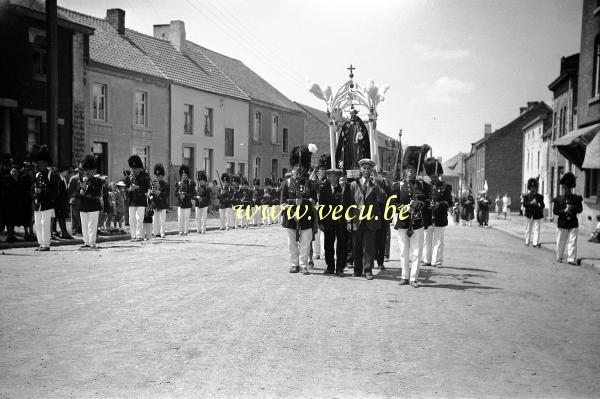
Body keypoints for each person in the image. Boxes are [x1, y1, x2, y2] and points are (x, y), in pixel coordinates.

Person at [391, 145, 431, 287]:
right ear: (404, 170)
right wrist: (400, 207)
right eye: (408, 169)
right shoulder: (398, 185)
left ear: (417, 170)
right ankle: (404, 276)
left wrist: (418, 204)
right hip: (403, 221)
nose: (410, 172)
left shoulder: (423, 186)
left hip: (417, 222)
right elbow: (393, 203)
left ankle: (414, 278)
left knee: (416, 251)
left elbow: (427, 203)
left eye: (413, 169)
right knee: (403, 251)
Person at [346, 158, 386, 280]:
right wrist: (349, 221)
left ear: (372, 170)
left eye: (369, 168)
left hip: (370, 220)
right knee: (356, 246)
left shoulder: (376, 184)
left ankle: (368, 270)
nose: (366, 170)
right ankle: (357, 269)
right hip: (357, 220)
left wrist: (376, 185)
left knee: (369, 246)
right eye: (364, 168)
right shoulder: (353, 185)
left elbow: (383, 199)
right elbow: (349, 205)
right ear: (360, 169)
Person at [281, 144, 318, 275]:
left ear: (305, 167)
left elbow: (314, 200)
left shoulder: (310, 183)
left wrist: (305, 201)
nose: (298, 169)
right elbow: (282, 202)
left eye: (300, 166)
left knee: (305, 242)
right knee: (292, 242)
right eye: (296, 166)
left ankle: (303, 264)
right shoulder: (287, 183)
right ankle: (294, 264)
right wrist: (292, 202)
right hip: (291, 216)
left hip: (306, 216)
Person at [422, 157, 453, 268]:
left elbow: (449, 202)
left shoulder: (445, 187)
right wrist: (428, 205)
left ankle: (437, 261)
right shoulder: (425, 186)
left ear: (438, 174)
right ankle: (427, 259)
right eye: (431, 175)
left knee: (439, 240)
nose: (433, 176)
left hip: (440, 217)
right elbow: (422, 201)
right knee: (427, 240)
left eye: (435, 174)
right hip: (428, 217)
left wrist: (439, 205)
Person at [318, 168, 348, 276]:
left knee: (341, 244)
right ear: (327, 177)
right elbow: (321, 207)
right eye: (330, 176)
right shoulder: (323, 189)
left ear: (338, 177)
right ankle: (330, 266)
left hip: (340, 221)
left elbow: (348, 204)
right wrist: (320, 221)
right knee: (328, 244)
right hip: (328, 221)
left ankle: (340, 268)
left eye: (335, 176)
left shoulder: (344, 188)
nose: (332, 178)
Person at [31, 146, 58, 251]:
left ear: (46, 163)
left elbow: (55, 191)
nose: (38, 164)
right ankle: (41, 243)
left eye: (40, 162)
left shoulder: (51, 174)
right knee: (37, 224)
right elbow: (33, 188)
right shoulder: (37, 175)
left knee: (45, 224)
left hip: (47, 202)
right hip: (38, 202)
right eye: (38, 162)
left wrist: (43, 191)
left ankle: (46, 244)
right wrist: (34, 194)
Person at [552, 172, 583, 265]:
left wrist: (572, 209)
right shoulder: (559, 199)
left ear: (571, 188)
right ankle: (559, 257)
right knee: (561, 242)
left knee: (572, 242)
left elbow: (580, 209)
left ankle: (571, 259)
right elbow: (555, 211)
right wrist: (564, 211)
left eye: (568, 188)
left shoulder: (576, 198)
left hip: (573, 223)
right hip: (562, 223)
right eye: (564, 188)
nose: (566, 190)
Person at [78, 155, 103, 249]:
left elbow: (97, 192)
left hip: (93, 206)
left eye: (89, 170)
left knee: (91, 225)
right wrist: (80, 191)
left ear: (93, 171)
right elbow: (77, 194)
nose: (87, 172)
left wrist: (86, 189)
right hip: (83, 206)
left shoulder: (97, 180)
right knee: (84, 225)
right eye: (86, 170)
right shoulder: (81, 180)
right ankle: (86, 242)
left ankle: (92, 242)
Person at [127, 155, 150, 241]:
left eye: (136, 168)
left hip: (141, 201)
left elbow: (146, 188)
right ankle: (133, 236)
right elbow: (124, 187)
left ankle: (139, 236)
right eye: (133, 168)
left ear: (140, 168)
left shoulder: (145, 177)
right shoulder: (129, 177)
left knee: (139, 219)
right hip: (132, 201)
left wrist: (137, 187)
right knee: (131, 219)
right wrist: (129, 188)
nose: (134, 170)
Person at [522, 178, 545, 247]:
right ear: (529, 188)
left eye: (534, 187)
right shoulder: (526, 196)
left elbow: (543, 205)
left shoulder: (540, 196)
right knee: (528, 228)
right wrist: (531, 203)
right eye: (532, 187)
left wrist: (538, 206)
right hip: (529, 214)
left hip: (537, 214)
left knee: (537, 228)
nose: (533, 188)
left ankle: (535, 242)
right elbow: (524, 204)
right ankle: (527, 241)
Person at [52, 165, 72, 239]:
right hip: (58, 202)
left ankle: (64, 232)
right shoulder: (58, 178)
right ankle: (63, 233)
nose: (66, 172)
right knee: (61, 218)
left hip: (62, 202)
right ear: (63, 171)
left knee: (62, 218)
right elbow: (58, 191)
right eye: (66, 171)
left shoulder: (63, 178)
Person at [151, 164, 170, 238]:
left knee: (162, 220)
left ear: (162, 176)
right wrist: (152, 192)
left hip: (162, 204)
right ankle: (156, 233)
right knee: (155, 219)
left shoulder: (166, 184)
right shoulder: (154, 183)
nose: (157, 177)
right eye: (157, 176)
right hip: (155, 203)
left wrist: (159, 193)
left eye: (159, 176)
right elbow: (151, 194)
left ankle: (162, 233)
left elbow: (167, 195)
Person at [175, 165, 195, 235]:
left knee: (186, 218)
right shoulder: (179, 183)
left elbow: (192, 194)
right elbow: (175, 193)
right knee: (180, 218)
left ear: (187, 175)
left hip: (187, 203)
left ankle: (186, 231)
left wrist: (185, 195)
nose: (184, 176)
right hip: (180, 203)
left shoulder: (190, 183)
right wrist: (179, 194)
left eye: (185, 175)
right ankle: (180, 231)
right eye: (183, 175)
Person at [68, 164, 83, 235]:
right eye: (81, 169)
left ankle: (80, 230)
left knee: (80, 217)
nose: (83, 171)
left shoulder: (84, 178)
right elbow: (69, 190)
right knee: (75, 216)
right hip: (74, 199)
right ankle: (75, 230)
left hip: (82, 200)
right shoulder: (74, 178)